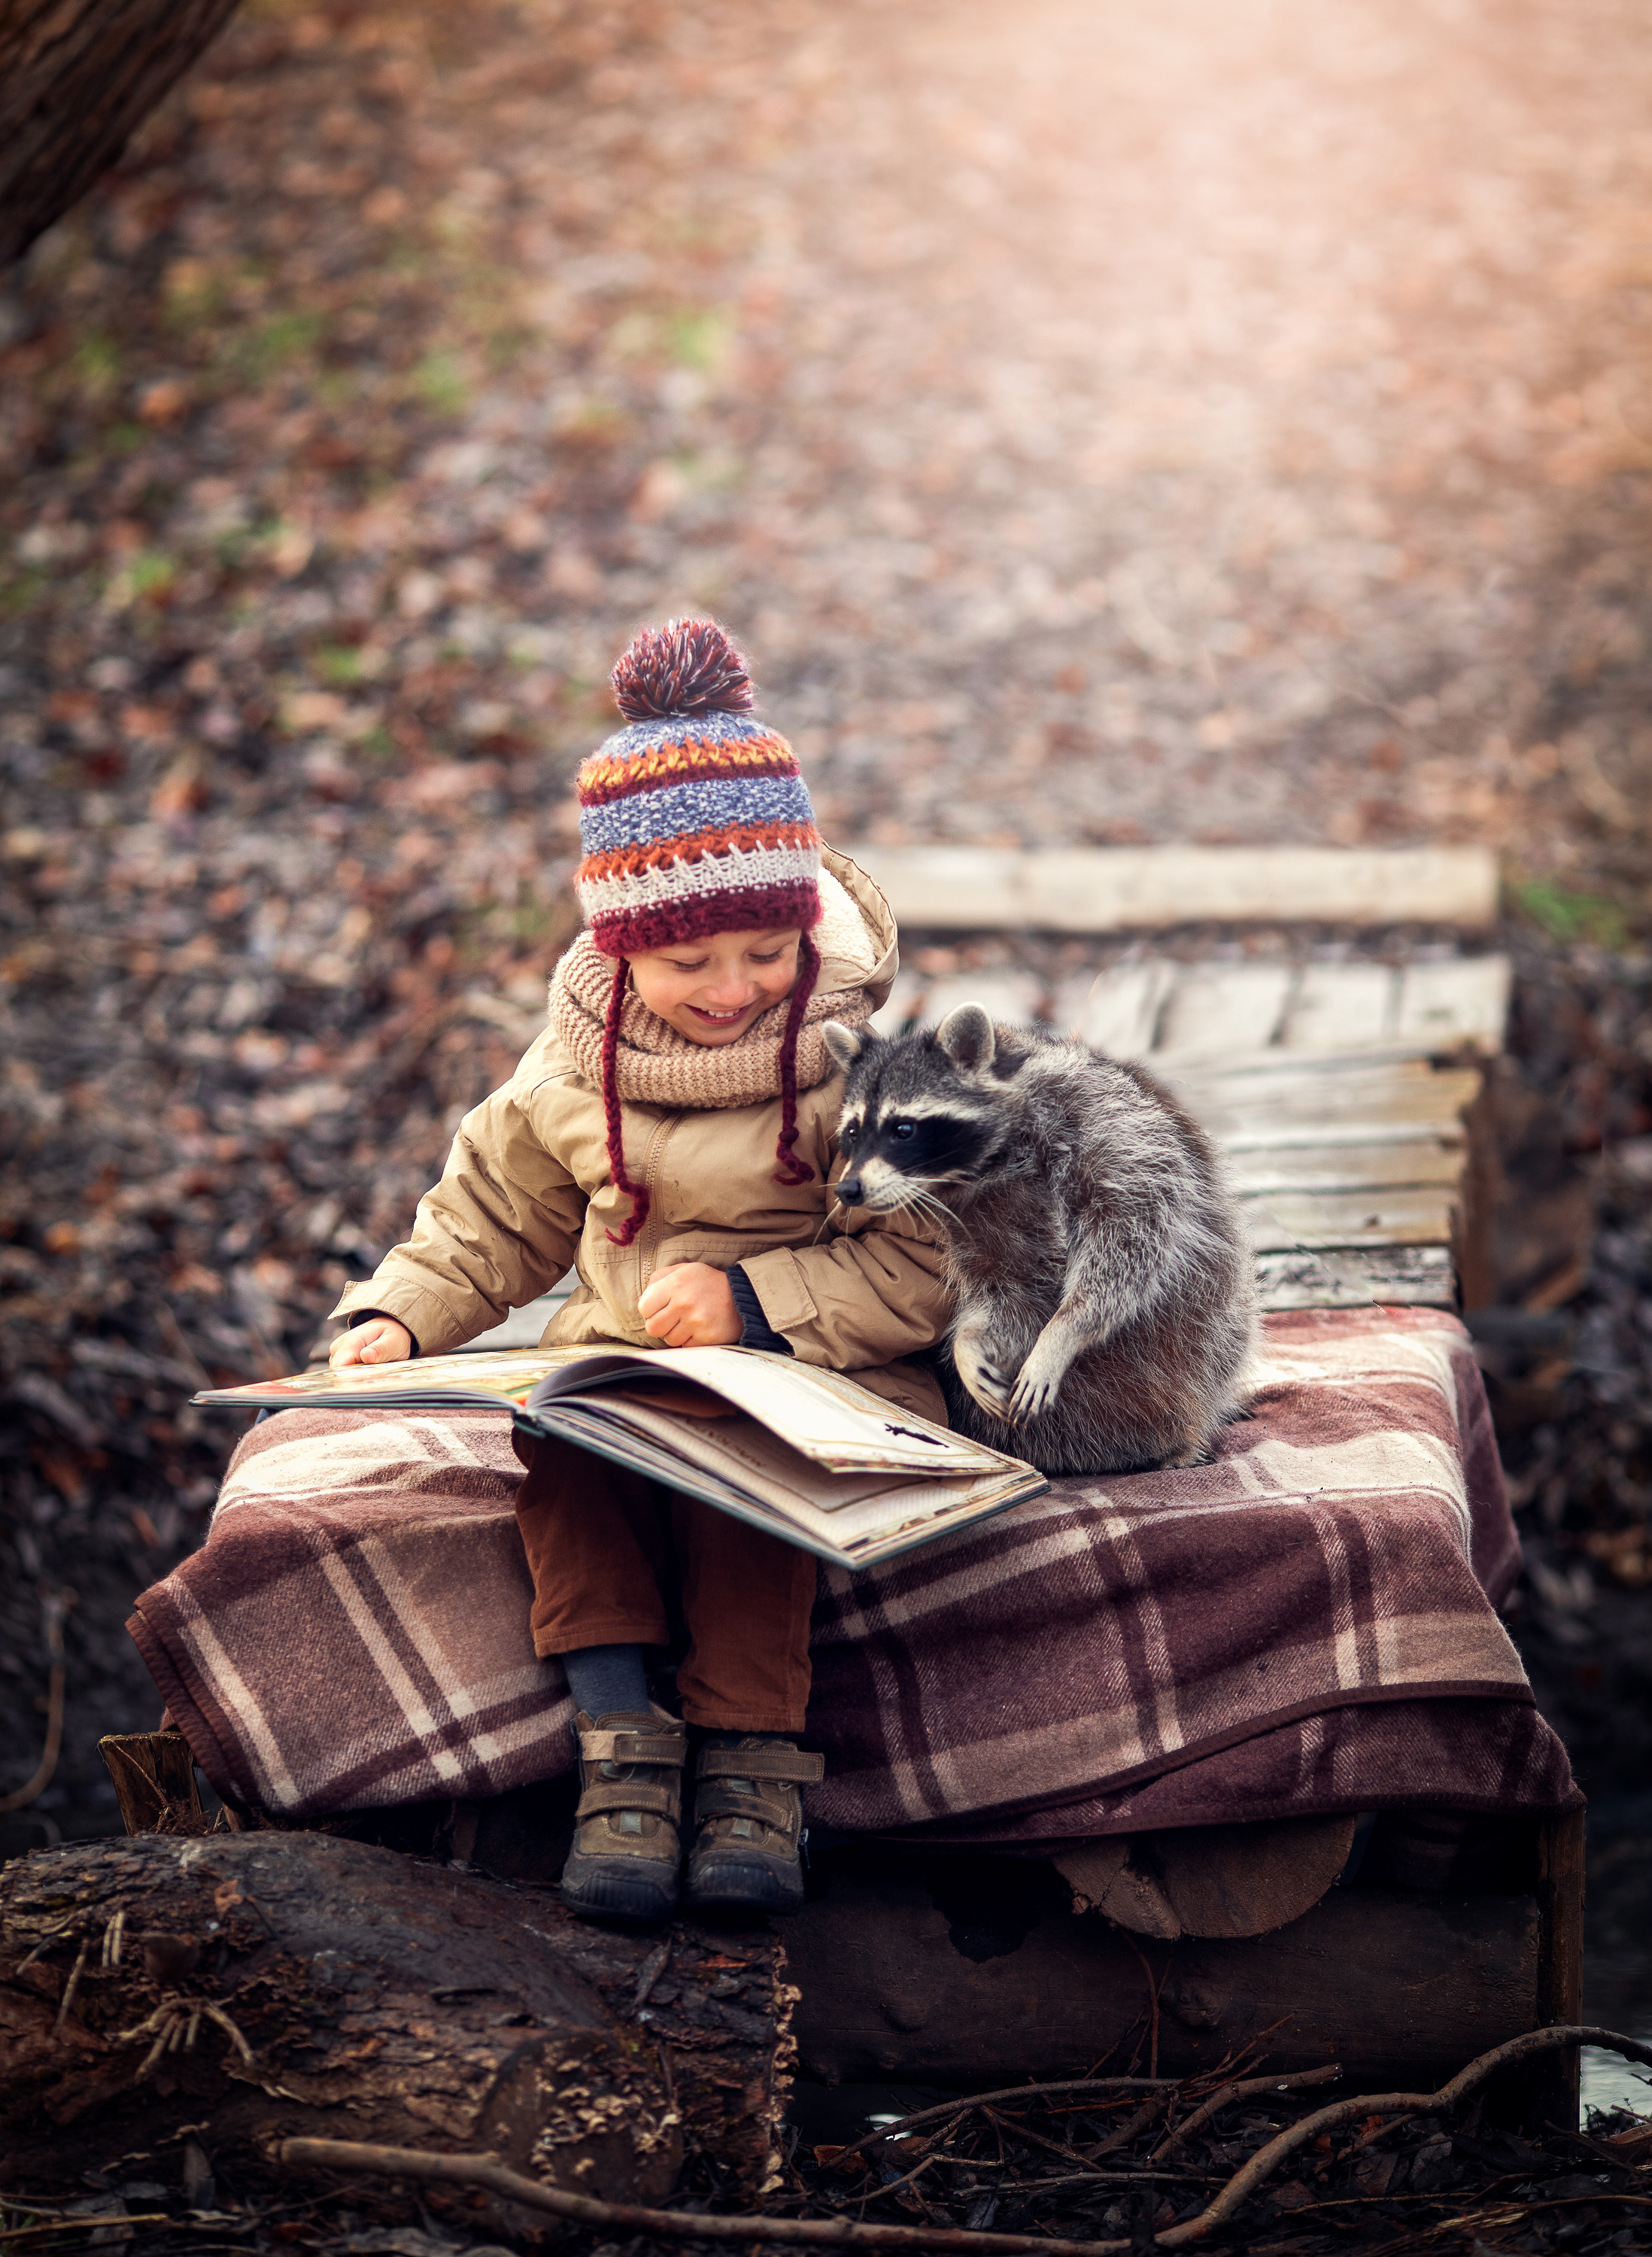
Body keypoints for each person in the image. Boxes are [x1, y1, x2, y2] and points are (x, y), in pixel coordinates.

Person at [327, 618, 950, 1921]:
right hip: (627, 1364)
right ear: (618, 947)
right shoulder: (571, 1064)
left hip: (808, 1376)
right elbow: (494, 1210)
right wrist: (400, 1309)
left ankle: (747, 1767)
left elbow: (930, 1261)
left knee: (740, 1484)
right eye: (689, 962)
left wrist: (758, 1304)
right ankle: (622, 1750)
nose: (734, 988)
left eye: (767, 953)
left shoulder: (854, 1071)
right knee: (568, 1456)